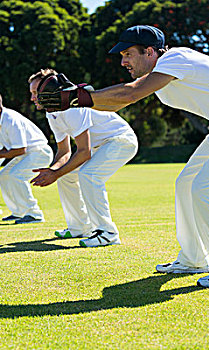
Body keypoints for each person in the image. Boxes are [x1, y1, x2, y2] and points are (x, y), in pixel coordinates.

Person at [37, 25, 209, 287]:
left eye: (128, 54)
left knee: (204, 191)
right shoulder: (160, 75)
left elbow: (130, 93)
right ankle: (193, 259)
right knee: (185, 184)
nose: (123, 61)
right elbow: (119, 102)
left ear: (150, 51)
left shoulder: (176, 59)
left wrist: (79, 97)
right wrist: (76, 100)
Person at [28, 69, 138, 248]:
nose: (32, 98)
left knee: (89, 174)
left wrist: (55, 173)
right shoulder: (52, 112)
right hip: (98, 146)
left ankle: (107, 233)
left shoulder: (72, 108)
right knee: (66, 176)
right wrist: (53, 170)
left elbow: (84, 152)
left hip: (121, 140)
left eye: (35, 93)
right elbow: (64, 151)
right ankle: (79, 226)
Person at [0, 90, 53, 224]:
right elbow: (9, 148)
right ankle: (19, 212)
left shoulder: (10, 119)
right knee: (4, 176)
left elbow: (20, 149)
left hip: (40, 152)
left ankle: (34, 214)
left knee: (15, 175)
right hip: (28, 154)